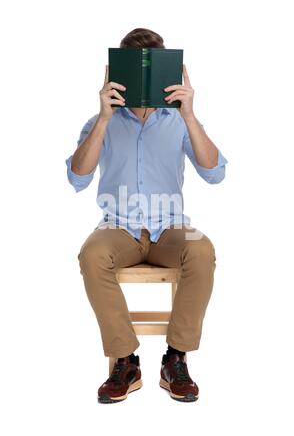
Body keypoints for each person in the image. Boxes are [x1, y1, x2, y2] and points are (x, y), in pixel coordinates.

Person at [65, 28, 228, 403]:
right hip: (116, 228)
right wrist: (103, 117)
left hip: (171, 227)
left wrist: (190, 115)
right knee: (92, 255)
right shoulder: (98, 123)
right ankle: (125, 360)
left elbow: (215, 173)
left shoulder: (178, 122)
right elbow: (77, 176)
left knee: (201, 251)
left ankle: (176, 359)